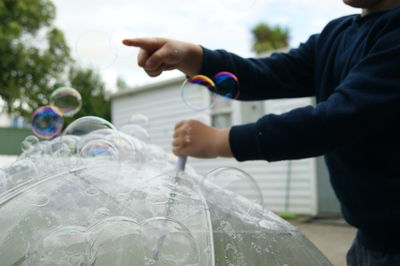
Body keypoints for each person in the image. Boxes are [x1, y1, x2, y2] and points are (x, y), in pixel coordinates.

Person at [123, 0, 400, 265]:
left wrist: (219, 141)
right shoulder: (336, 35)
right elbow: (268, 73)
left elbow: (334, 121)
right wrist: (194, 57)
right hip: (370, 239)